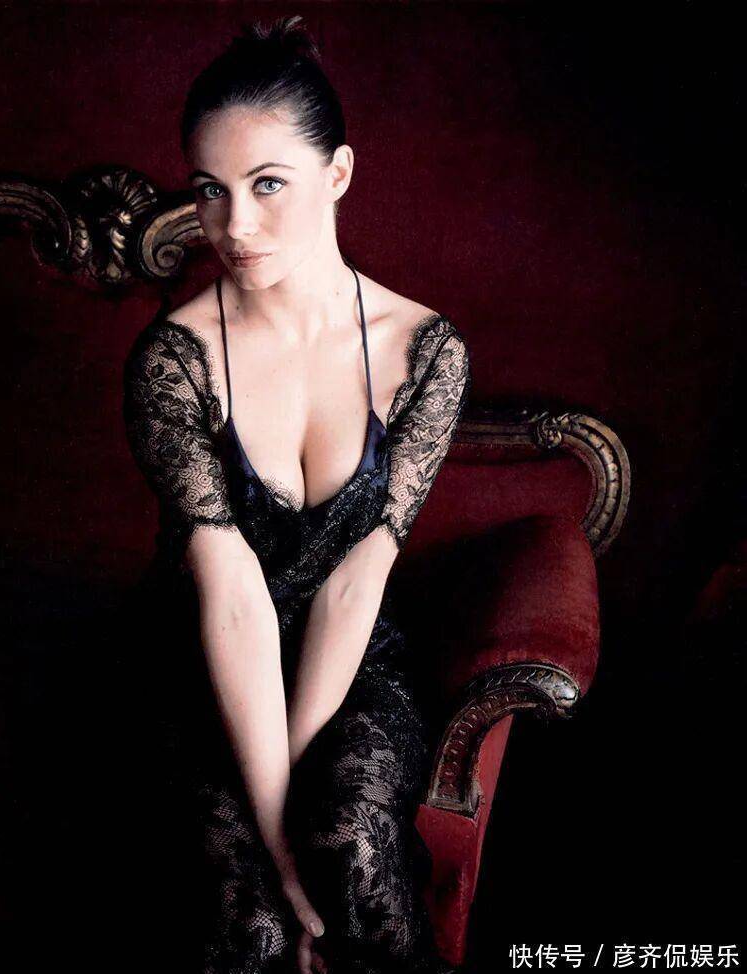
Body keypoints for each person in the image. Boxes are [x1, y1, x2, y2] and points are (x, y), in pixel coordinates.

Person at [123, 15, 471, 973]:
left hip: (349, 656)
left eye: (267, 184)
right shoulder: (176, 360)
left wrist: (303, 796)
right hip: (201, 661)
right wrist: (273, 834)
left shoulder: (427, 352)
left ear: (339, 173)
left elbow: (358, 580)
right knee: (257, 924)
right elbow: (231, 598)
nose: (234, 226)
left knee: (346, 844)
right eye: (211, 190)